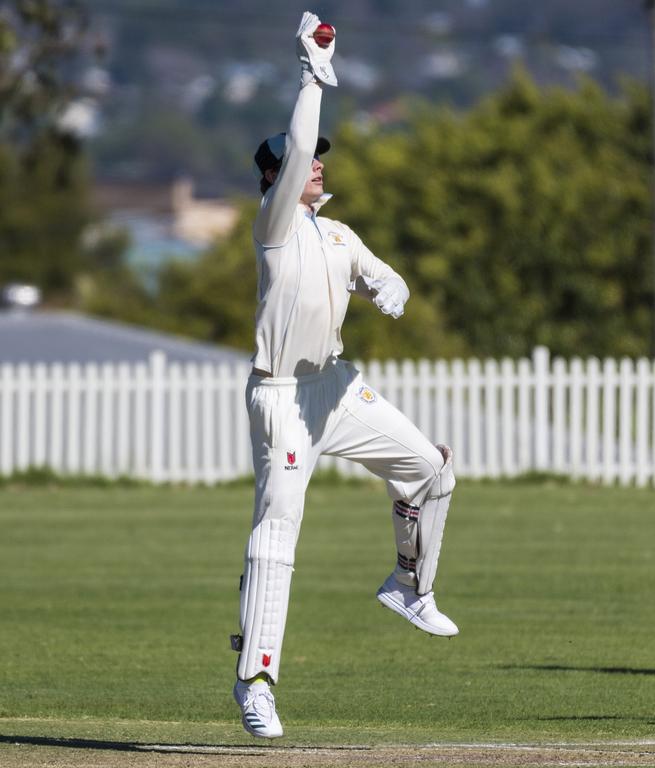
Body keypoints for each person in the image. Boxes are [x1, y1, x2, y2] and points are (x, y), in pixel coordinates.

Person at [230, 12, 458, 739]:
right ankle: (256, 680)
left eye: (322, 160)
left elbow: (378, 274)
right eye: (301, 163)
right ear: (274, 178)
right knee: (278, 532)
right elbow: (299, 145)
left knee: (429, 469)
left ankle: (408, 585)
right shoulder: (274, 228)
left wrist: (392, 287)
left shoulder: (335, 231)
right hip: (282, 398)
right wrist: (312, 73)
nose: (317, 164)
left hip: (333, 387)